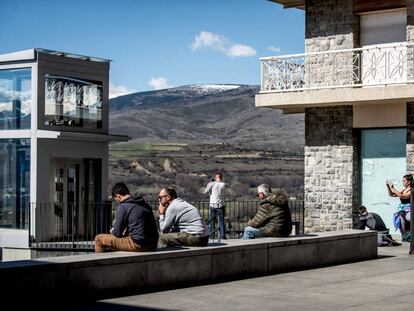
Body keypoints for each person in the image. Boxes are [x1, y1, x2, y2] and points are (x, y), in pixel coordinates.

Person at [94, 183, 159, 253]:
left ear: (117, 196)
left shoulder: (123, 206)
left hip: (139, 244)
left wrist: (112, 230)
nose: (117, 202)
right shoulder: (144, 204)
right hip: (153, 244)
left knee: (99, 239)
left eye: (116, 199)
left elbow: (117, 233)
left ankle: (99, 263)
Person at [386, 174, 412, 241]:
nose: (402, 182)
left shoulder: (411, 190)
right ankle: (404, 236)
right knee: (400, 217)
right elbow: (392, 194)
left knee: (405, 216)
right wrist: (388, 186)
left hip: (410, 210)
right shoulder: (404, 190)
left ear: (409, 182)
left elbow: (402, 196)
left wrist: (393, 188)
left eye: (404, 181)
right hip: (403, 211)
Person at [204, 172, 226, 240]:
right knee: (221, 221)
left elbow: (205, 191)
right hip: (221, 204)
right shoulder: (223, 184)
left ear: (216, 177)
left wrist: (210, 184)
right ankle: (222, 236)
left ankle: (211, 236)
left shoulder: (212, 184)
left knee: (212, 221)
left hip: (213, 205)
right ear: (221, 177)